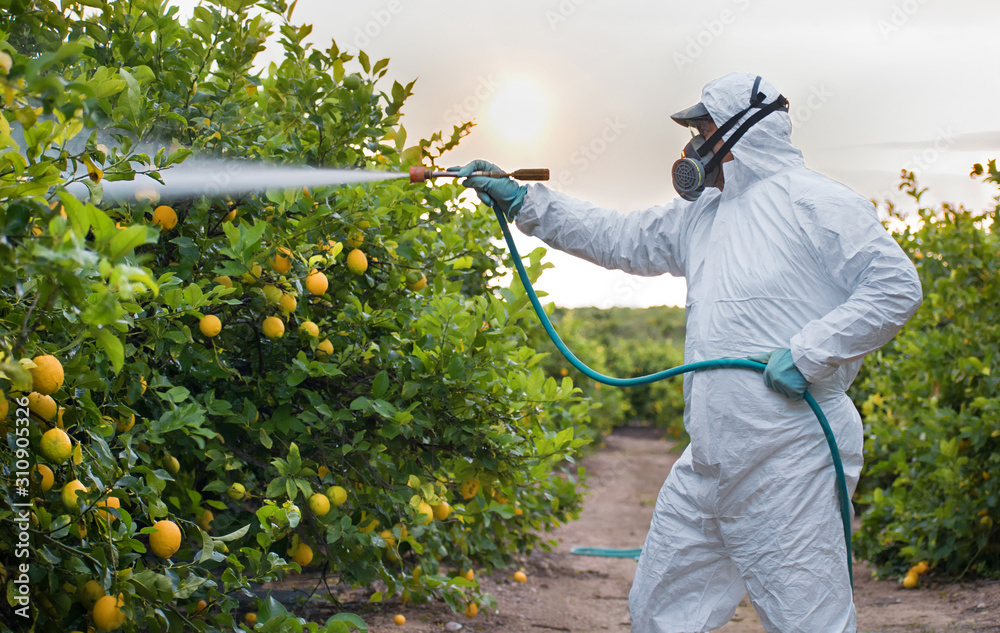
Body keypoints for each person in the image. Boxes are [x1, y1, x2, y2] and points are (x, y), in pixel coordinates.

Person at [455, 72, 923, 632]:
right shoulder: (704, 214)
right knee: (660, 612)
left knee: (807, 621)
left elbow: (895, 286)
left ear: (736, 134)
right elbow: (618, 236)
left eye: (700, 129)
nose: (690, 145)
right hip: (710, 459)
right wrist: (525, 201)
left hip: (791, 456)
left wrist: (809, 353)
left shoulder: (817, 201)